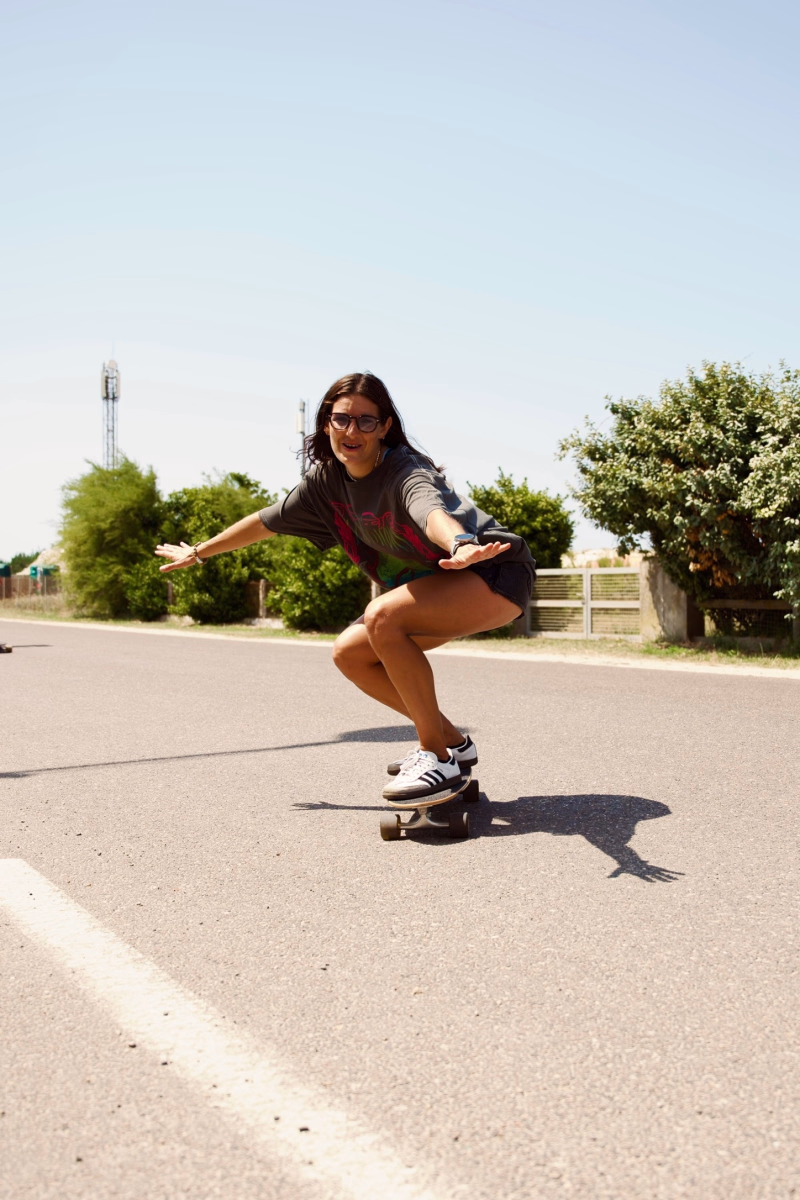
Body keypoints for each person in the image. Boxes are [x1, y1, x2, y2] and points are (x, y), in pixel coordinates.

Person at [155, 372, 535, 804]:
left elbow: (429, 511)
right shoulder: (325, 483)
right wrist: (200, 551)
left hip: (493, 572)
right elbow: (265, 522)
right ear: (326, 424)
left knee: (383, 615)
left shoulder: (404, 471)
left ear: (384, 427)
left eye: (365, 421)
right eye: (342, 419)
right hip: (445, 583)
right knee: (350, 653)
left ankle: (436, 756)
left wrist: (460, 543)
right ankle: (453, 743)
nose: (352, 431)